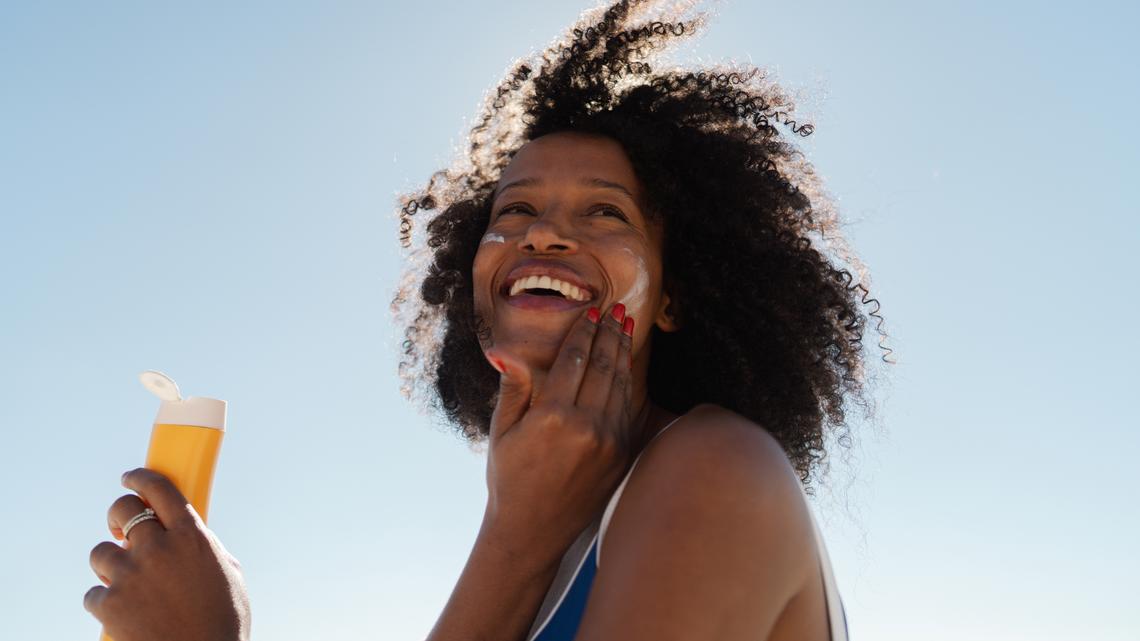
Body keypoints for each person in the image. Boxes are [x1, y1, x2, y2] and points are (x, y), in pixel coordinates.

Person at [83, 1, 891, 639]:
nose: (544, 233)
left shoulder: (713, 467)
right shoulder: (556, 535)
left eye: (604, 211)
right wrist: (518, 532)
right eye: (515, 211)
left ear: (676, 295)